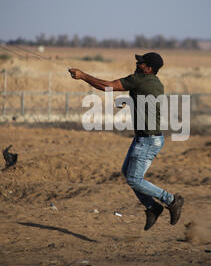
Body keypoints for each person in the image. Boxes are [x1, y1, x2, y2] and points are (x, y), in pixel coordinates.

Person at [68, 52, 184, 230]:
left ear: (149, 69)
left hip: (148, 140)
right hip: (147, 138)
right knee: (127, 172)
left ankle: (171, 200)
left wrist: (83, 76)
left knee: (134, 179)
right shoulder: (155, 83)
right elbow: (145, 101)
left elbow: (107, 86)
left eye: (142, 63)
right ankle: (152, 207)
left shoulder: (139, 79)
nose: (138, 64)